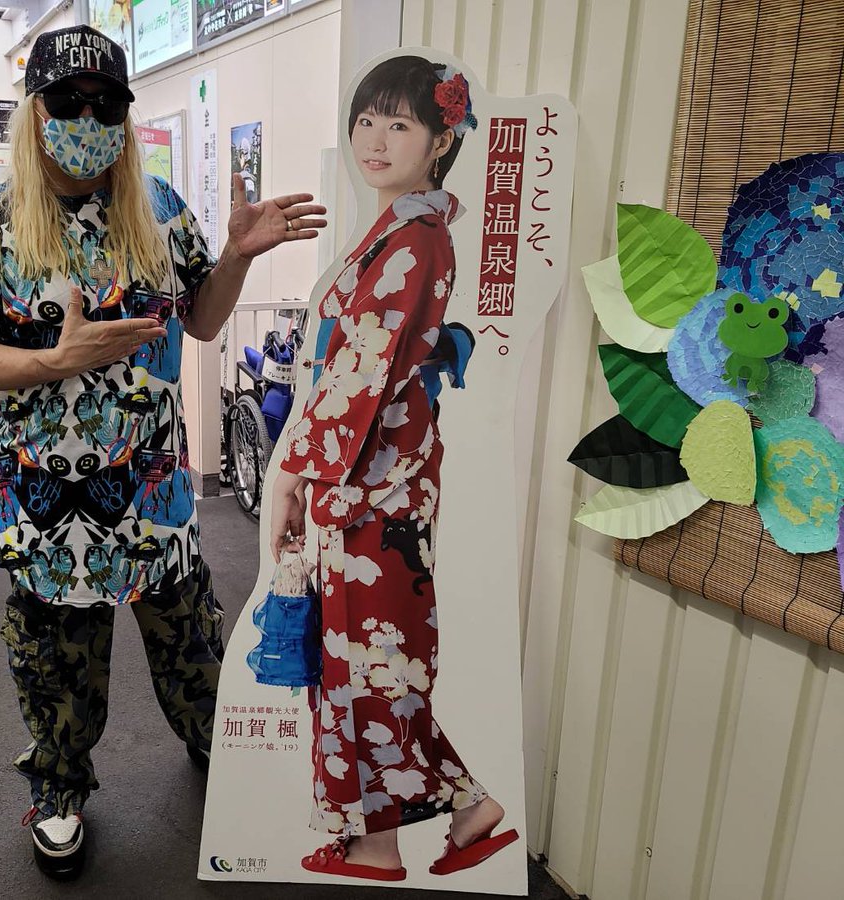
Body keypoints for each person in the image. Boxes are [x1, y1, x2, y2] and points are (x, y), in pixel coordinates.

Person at [0, 24, 326, 881]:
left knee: (193, 649)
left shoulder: (160, 211)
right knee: (57, 663)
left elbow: (205, 321)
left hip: (155, 496)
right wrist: (53, 361)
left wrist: (236, 256)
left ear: (125, 116)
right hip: (46, 506)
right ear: (35, 112)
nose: (87, 118)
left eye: (106, 103)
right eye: (67, 101)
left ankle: (222, 748)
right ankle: (60, 788)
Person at [269, 55, 518, 882]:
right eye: (366, 120)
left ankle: (387, 837)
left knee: (371, 664)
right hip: (372, 481)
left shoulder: (415, 238)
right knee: (372, 662)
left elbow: (362, 370)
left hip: (370, 486)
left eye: (399, 124)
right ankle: (445, 815)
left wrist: (296, 474)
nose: (374, 139)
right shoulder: (402, 228)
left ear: (442, 141)